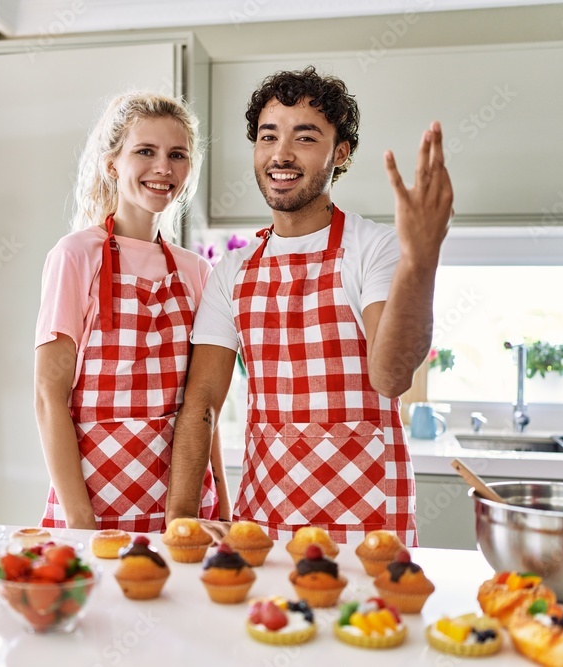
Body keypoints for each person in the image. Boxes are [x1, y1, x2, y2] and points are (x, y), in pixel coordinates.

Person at [167, 67, 453, 546]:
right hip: (264, 524)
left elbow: (391, 377)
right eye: (267, 136)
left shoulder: (374, 248)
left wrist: (420, 262)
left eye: (305, 137)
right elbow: (202, 403)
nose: (280, 154)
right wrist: (181, 519)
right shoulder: (232, 271)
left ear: (340, 153)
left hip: (367, 526)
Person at [35, 92, 229, 532]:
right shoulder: (76, 257)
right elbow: (49, 398)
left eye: (177, 155)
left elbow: (204, 405)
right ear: (112, 164)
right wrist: (81, 519)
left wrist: (223, 503)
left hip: (183, 509)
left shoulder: (195, 271)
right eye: (146, 151)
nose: (164, 167)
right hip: (94, 503)